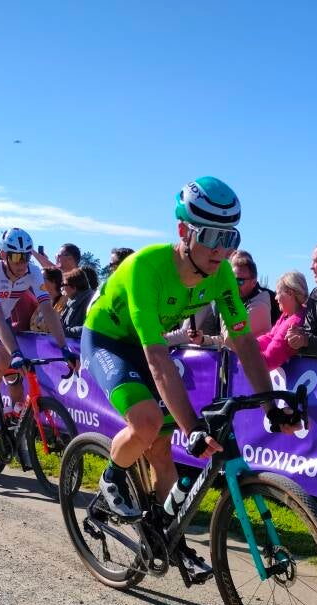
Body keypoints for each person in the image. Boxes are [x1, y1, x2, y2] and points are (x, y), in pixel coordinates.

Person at [81, 175, 297, 581]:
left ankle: (168, 539)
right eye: (211, 236)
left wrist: (271, 406)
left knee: (163, 452)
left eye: (229, 238)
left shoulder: (221, 275)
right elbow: (158, 359)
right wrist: (193, 428)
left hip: (147, 343)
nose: (221, 250)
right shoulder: (146, 267)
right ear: (184, 231)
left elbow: (245, 343)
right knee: (147, 422)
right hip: (108, 339)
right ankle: (111, 477)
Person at [0, 227, 74, 430]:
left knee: (15, 376)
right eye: (15, 257)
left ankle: (18, 425)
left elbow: (48, 310)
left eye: (26, 257)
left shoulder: (33, 272)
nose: (22, 263)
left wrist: (64, 347)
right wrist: (14, 352)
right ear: (3, 255)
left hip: (2, 320)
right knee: (2, 360)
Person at [256, 271, 308, 370]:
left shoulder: (294, 322)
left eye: (278, 293)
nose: (275, 298)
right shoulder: (286, 315)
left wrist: (244, 354)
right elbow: (270, 337)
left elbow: (269, 360)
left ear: (290, 293)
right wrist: (250, 344)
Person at [59, 268, 94, 338]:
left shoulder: (91, 301)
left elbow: (90, 329)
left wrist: (64, 332)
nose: (62, 288)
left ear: (74, 287)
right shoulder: (70, 301)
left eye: (63, 284)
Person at [29, 268, 65, 333]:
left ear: (53, 281)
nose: (39, 281)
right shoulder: (43, 300)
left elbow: (51, 326)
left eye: (42, 278)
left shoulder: (64, 302)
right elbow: (32, 324)